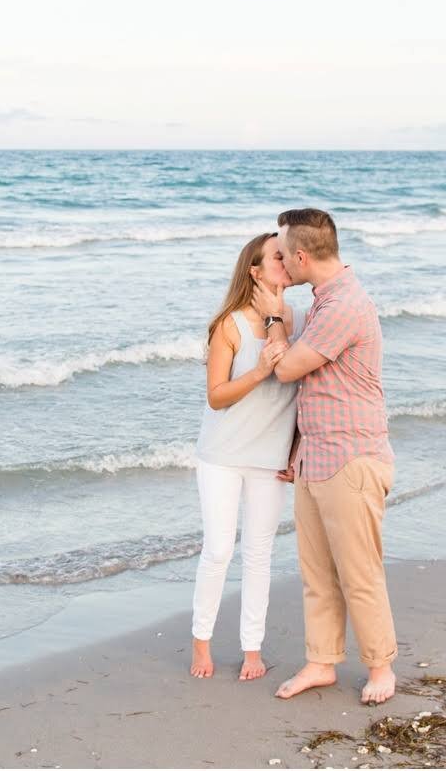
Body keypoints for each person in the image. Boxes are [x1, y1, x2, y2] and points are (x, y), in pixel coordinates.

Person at [252, 208, 398, 706]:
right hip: (317, 456)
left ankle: (381, 668)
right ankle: (322, 662)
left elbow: (290, 369)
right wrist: (294, 451)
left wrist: (273, 315)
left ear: (300, 256)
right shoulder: (324, 300)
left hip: (352, 459)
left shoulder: (344, 306)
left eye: (282, 254)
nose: (280, 265)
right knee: (316, 573)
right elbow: (317, 388)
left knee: (358, 573)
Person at [190, 232, 300, 682]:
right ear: (255, 272)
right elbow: (216, 397)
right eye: (278, 257)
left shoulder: (301, 319)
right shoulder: (229, 326)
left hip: (270, 458)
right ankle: (201, 640)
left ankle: (251, 648)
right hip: (222, 455)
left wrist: (296, 450)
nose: (287, 260)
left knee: (259, 553)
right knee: (218, 550)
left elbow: (306, 394)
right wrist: (258, 371)